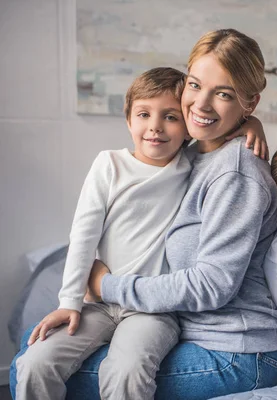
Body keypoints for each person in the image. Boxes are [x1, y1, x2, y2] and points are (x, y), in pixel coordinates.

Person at [11, 29, 277, 400]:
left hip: (233, 348)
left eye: (224, 93)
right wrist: (247, 122)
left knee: (67, 370)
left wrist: (105, 285)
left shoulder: (234, 171)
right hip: (176, 324)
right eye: (195, 85)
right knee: (34, 361)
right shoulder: (188, 154)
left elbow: (213, 285)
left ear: (249, 102)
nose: (200, 105)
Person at [14, 67, 192, 400]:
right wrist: (69, 302)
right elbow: (83, 236)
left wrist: (251, 124)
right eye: (144, 114)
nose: (155, 126)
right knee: (35, 362)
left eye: (171, 116)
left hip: (153, 311)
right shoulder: (109, 164)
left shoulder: (192, 168)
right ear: (128, 121)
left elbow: (228, 131)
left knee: (124, 370)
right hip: (99, 304)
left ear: (188, 128)